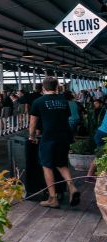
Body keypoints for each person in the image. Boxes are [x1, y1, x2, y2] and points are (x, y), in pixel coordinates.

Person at [28, 76, 80, 209]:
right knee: (62, 164)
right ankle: (71, 187)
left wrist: (31, 136)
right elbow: (65, 117)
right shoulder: (63, 100)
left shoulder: (38, 101)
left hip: (49, 137)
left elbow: (33, 123)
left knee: (47, 166)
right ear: (57, 87)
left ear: (43, 88)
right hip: (64, 136)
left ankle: (53, 198)